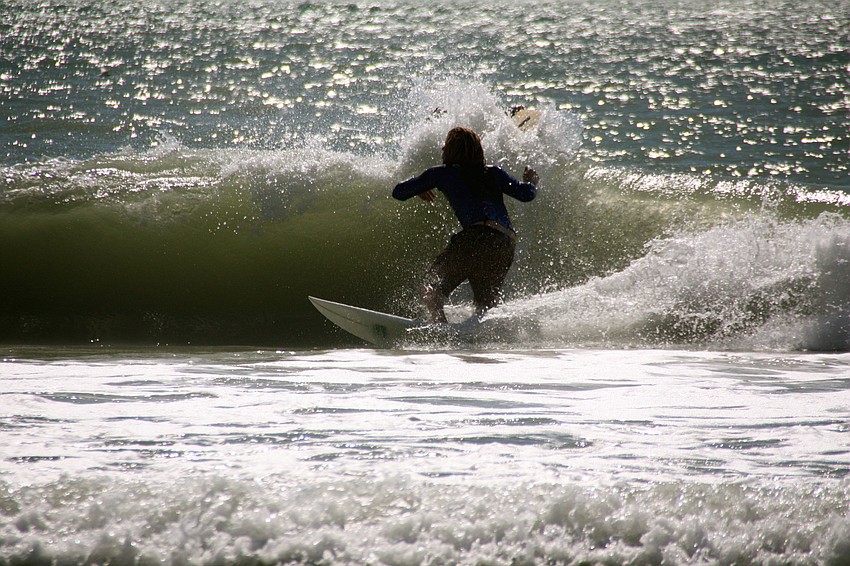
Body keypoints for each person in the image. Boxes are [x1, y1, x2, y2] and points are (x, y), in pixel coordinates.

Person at [392, 126, 539, 323]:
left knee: (431, 287)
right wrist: (531, 182)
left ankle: (441, 329)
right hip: (504, 243)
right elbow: (526, 194)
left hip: (477, 237)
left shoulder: (443, 173)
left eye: (446, 145)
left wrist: (420, 186)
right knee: (485, 304)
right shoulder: (494, 173)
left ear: (452, 150)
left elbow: (399, 192)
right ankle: (477, 337)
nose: (443, 149)